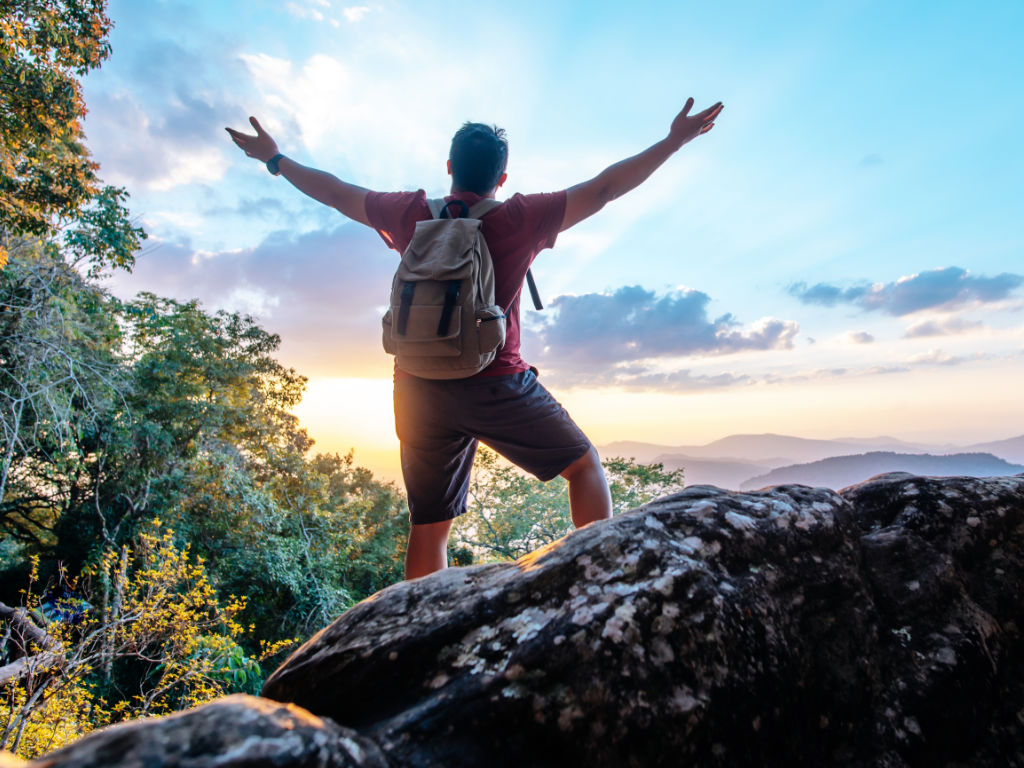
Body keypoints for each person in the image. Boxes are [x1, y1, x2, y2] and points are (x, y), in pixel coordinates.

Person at [226, 97, 723, 580]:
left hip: (417, 387)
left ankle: (418, 631)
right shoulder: (519, 217)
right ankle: (601, 584)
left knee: (429, 528)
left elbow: (335, 192)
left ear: (449, 166)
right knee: (585, 466)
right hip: (497, 383)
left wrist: (274, 158)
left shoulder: (411, 212)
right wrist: (673, 141)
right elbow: (605, 189)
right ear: (502, 178)